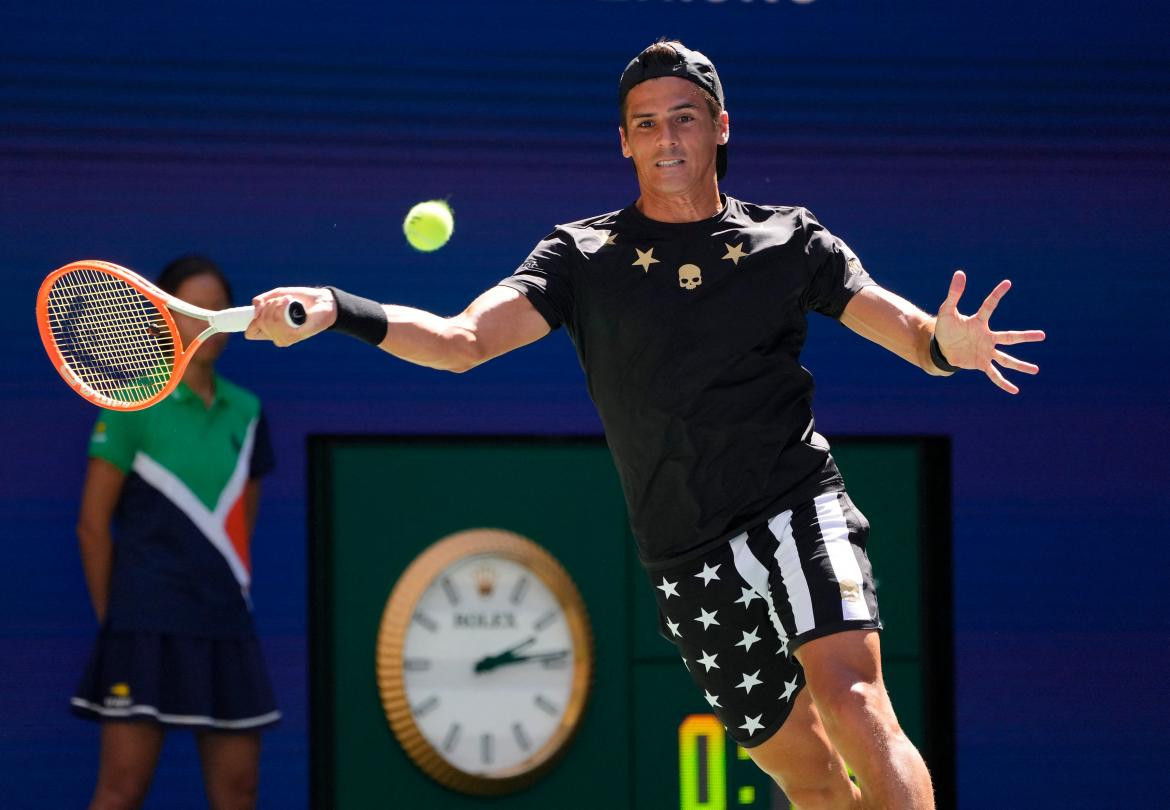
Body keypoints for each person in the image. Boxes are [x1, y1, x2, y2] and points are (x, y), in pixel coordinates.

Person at [246, 40, 1043, 810]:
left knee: (856, 701)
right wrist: (336, 309)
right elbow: (464, 342)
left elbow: (906, 330)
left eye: (687, 117)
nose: (668, 137)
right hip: (684, 554)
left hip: (796, 505)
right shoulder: (579, 256)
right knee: (816, 785)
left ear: (722, 127)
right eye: (649, 122)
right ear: (623, 140)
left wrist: (948, 345)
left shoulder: (790, 238)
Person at [73, 256, 280, 810]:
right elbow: (93, 527)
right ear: (165, 315)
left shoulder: (249, 411)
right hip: (144, 623)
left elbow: (241, 531)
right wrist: (117, 622)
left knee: (238, 792)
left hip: (224, 622)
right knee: (121, 790)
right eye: (194, 310)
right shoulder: (129, 405)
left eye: (219, 310)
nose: (208, 320)